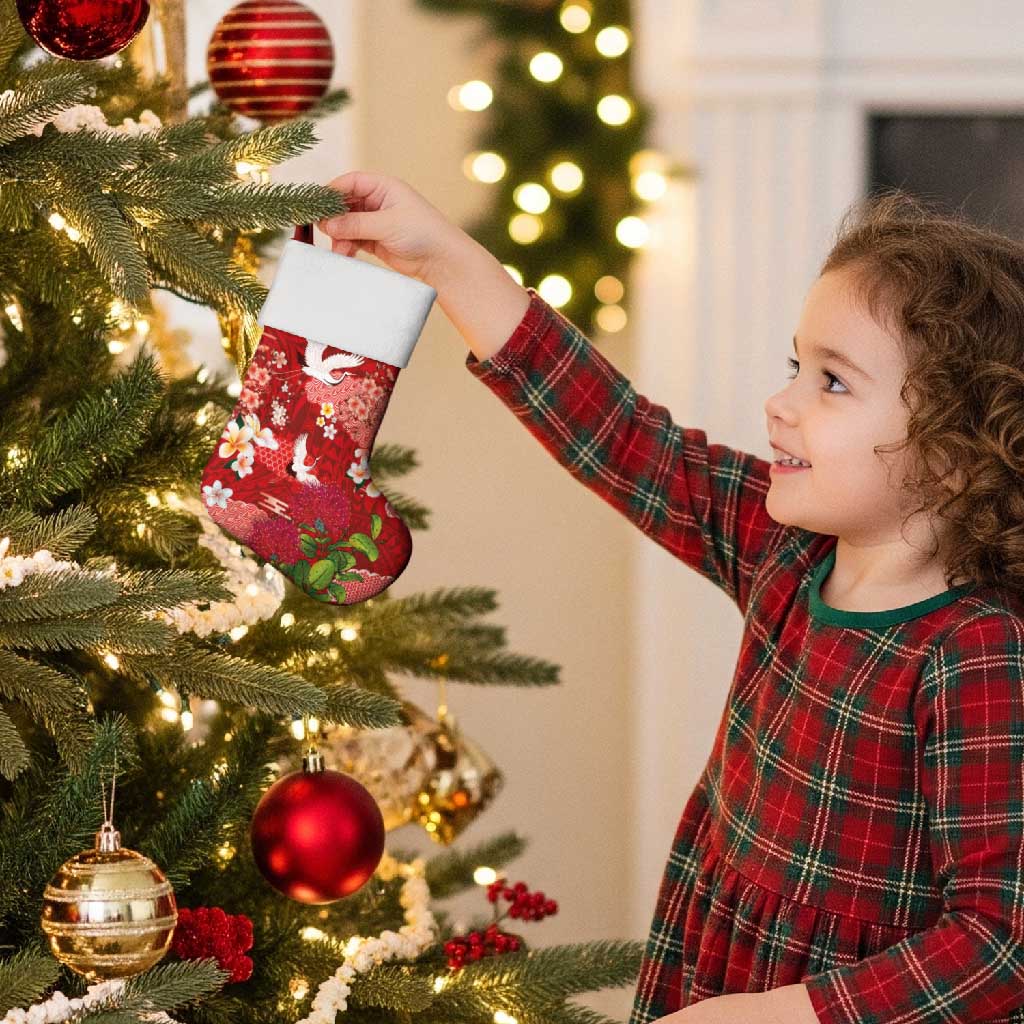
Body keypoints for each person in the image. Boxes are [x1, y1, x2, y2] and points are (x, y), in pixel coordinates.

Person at [317, 175, 1024, 1024]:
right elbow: (622, 436)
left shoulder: (978, 652)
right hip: (714, 964)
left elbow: (998, 941)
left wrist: (779, 1016)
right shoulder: (786, 552)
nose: (782, 404)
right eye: (797, 367)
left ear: (957, 453)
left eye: (832, 383)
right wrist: (449, 259)